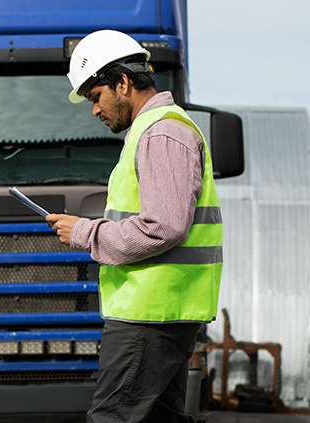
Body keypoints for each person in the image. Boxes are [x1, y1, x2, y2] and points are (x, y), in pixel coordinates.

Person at [45, 29, 223, 423]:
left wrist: (84, 232)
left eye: (96, 97)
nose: (94, 110)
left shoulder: (161, 132)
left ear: (122, 83)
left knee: (112, 418)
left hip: (150, 313)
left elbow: (164, 226)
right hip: (159, 310)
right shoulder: (158, 129)